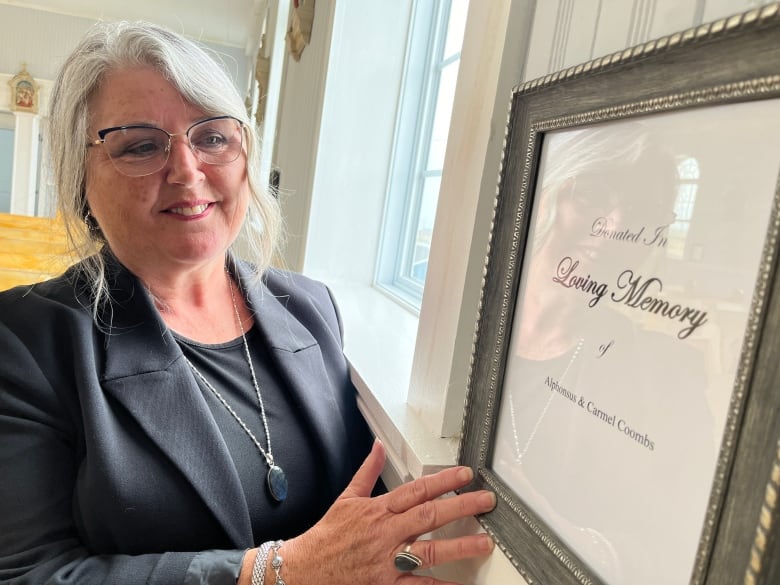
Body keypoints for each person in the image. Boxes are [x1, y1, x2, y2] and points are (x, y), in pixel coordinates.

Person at [0, 21, 495, 585]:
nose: (188, 171)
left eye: (212, 138)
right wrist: (275, 572)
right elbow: (25, 573)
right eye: (139, 145)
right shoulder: (25, 341)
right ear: (79, 178)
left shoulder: (311, 307)